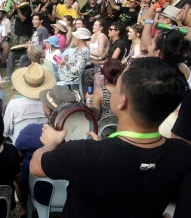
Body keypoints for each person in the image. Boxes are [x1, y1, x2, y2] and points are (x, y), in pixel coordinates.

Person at [30, 57, 191, 218]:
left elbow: (36, 165)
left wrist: (52, 142)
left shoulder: (84, 154)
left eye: (118, 85)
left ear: (122, 101)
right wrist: (102, 147)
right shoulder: (183, 154)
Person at [14, 85, 76, 218]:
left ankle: (23, 208)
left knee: (19, 171)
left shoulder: (31, 131)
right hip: (72, 192)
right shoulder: (83, 137)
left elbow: (17, 155)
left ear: (48, 110)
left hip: (39, 191)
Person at [3, 62, 56, 139]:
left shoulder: (13, 105)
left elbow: (5, 132)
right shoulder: (52, 106)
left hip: (18, 147)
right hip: (47, 145)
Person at [85, 58, 122, 137]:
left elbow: (94, 116)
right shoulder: (127, 91)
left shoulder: (99, 92)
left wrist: (88, 100)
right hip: (122, 131)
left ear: (104, 74)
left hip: (104, 133)